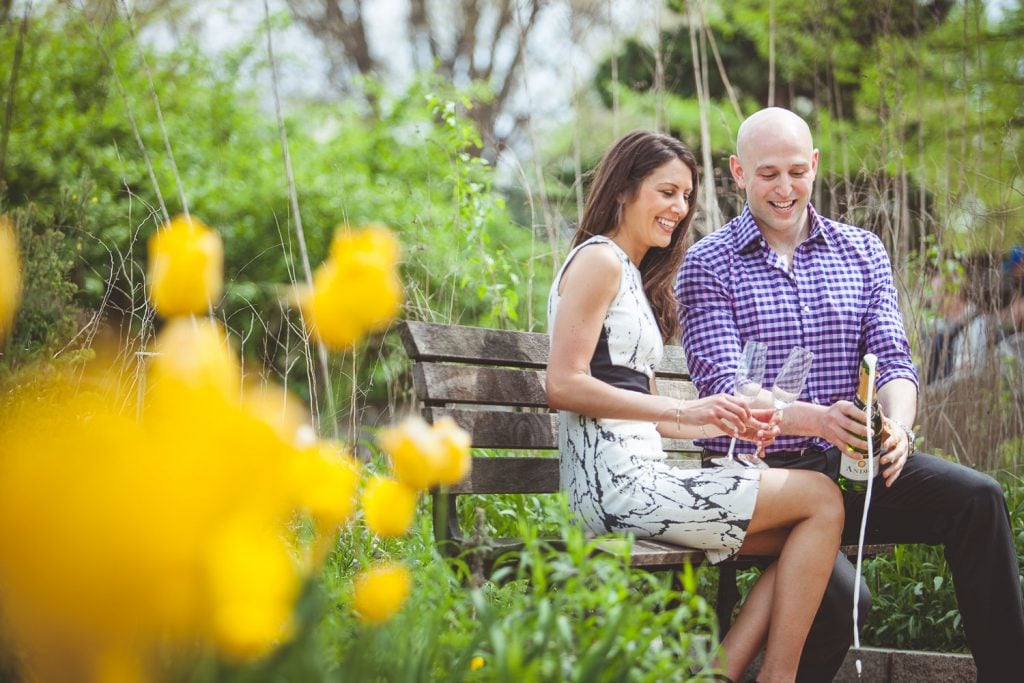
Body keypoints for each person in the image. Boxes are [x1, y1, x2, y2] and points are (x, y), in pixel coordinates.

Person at [676, 107, 1024, 682]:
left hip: (855, 465)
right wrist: (815, 420)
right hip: (768, 485)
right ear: (738, 173)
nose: (784, 188)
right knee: (845, 602)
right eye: (767, 174)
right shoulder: (708, 264)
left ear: (814, 165)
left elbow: (894, 359)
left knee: (978, 499)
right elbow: (723, 389)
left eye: (795, 170)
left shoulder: (862, 251)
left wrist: (899, 429)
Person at [546, 130, 845, 683]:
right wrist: (690, 414)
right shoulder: (600, 261)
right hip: (614, 490)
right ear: (624, 191)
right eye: (666, 192)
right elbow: (563, 384)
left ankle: (716, 674)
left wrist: (716, 419)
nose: (679, 209)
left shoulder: (632, 276)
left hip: (641, 477)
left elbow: (640, 401)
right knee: (822, 501)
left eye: (686, 197)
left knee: (801, 542)